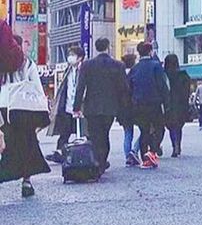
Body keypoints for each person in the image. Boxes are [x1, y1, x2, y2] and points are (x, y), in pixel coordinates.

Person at [0, 22, 50, 198]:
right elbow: (36, 87)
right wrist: (43, 112)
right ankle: (26, 181)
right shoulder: (26, 63)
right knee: (28, 144)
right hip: (23, 109)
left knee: (4, 145)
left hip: (3, 109)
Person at [72, 38, 129, 172]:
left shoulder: (87, 65)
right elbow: (123, 88)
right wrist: (124, 107)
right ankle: (102, 161)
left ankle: (97, 161)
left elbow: (80, 87)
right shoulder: (118, 65)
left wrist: (76, 106)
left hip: (91, 107)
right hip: (110, 107)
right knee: (104, 134)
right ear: (108, 47)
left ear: (96, 48)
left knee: (94, 135)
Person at [129, 42, 169, 170]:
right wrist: (166, 103)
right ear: (150, 52)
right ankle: (152, 151)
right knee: (159, 128)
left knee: (144, 131)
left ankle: (144, 158)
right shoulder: (156, 66)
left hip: (138, 104)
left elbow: (129, 87)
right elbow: (162, 85)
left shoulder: (135, 68)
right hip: (154, 103)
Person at [46, 44, 85, 163]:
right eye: (69, 55)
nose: (70, 57)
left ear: (80, 58)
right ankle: (60, 152)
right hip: (67, 106)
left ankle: (87, 155)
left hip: (81, 107)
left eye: (73, 55)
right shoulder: (68, 70)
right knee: (65, 132)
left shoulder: (84, 70)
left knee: (84, 132)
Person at [163, 54, 191, 157]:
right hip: (181, 105)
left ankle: (174, 145)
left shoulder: (165, 75)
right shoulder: (183, 75)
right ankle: (177, 144)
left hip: (168, 104)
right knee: (179, 126)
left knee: (171, 127)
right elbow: (187, 91)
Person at [120, 53, 140, 166]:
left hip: (123, 108)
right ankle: (134, 150)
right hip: (134, 107)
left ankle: (128, 156)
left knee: (127, 133)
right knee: (145, 130)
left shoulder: (120, 74)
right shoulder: (135, 73)